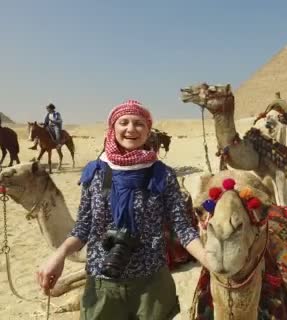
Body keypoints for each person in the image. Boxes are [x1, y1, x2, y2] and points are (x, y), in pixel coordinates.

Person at [36, 100, 209, 319]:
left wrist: (209, 261)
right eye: (123, 122)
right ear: (113, 128)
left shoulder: (162, 175)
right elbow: (83, 228)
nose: (130, 129)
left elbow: (182, 228)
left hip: (152, 286)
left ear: (147, 130)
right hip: (103, 287)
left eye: (138, 123)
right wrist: (58, 255)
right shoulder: (96, 173)